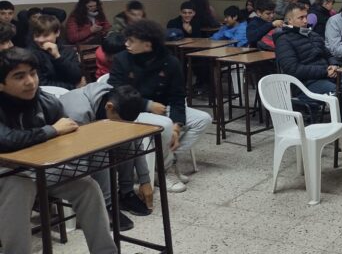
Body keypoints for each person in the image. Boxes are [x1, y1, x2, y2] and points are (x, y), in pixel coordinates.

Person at [0, 47, 118, 254]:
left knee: (86, 186)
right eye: (19, 76)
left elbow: (66, 136)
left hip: (40, 169)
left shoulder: (45, 101)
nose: (30, 81)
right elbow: (7, 140)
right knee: (21, 185)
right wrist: (51, 130)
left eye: (33, 73)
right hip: (7, 174)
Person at [108, 20, 213, 193]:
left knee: (203, 119)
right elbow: (114, 91)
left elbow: (178, 97)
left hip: (163, 109)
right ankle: (166, 170)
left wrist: (177, 127)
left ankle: (164, 163)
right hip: (131, 111)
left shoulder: (170, 62)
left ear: (148, 44)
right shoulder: (122, 59)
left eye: (131, 41)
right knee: (164, 124)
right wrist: (147, 104)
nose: (126, 44)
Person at [274, 2, 342, 164]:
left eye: (306, 16)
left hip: (328, 76)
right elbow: (293, 69)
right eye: (300, 18)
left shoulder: (311, 34)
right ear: (289, 21)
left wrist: (334, 65)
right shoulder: (284, 40)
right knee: (341, 93)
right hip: (305, 85)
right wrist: (324, 71)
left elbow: (328, 53)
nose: (305, 20)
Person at [60, 83, 149, 230]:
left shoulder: (116, 97)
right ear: (109, 107)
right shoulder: (78, 113)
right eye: (119, 122)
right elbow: (79, 157)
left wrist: (145, 180)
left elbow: (136, 140)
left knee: (127, 140)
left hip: (90, 144)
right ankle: (106, 206)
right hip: (69, 155)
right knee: (100, 149)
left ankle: (126, 194)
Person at [29, 15, 84, 90]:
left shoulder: (68, 51)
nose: (40, 40)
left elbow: (77, 76)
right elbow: (41, 84)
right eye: (37, 35)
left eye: (45, 35)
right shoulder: (30, 54)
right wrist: (72, 87)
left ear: (57, 33)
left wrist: (58, 57)